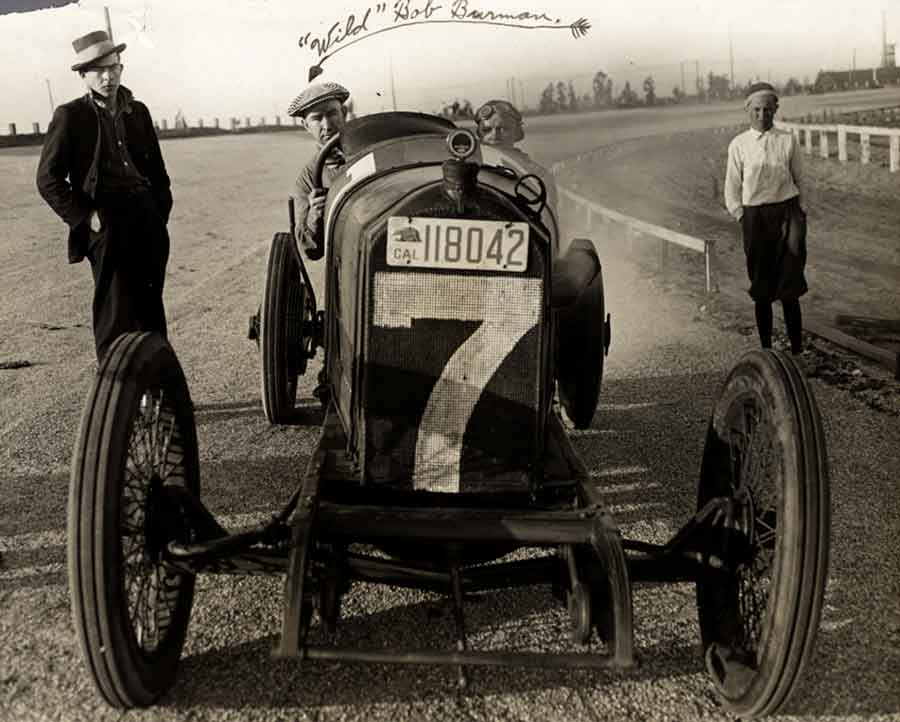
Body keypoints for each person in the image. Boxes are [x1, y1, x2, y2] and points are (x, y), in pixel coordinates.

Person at [36, 30, 173, 364]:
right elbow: (47, 179)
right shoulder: (71, 116)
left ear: (121, 68)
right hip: (106, 219)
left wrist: (157, 211)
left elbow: (157, 171)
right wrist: (87, 217)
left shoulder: (137, 111)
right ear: (83, 75)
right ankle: (114, 392)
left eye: (113, 67)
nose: (108, 76)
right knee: (114, 309)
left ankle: (158, 390)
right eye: (98, 70)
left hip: (145, 214)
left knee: (150, 305)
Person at [724, 82, 808, 358]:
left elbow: (801, 178)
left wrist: (800, 212)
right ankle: (767, 352)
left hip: (787, 213)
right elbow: (732, 188)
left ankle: (797, 353)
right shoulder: (739, 144)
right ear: (748, 109)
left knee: (790, 285)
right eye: (757, 110)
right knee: (761, 286)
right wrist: (742, 216)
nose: (762, 115)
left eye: (768, 110)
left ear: (775, 110)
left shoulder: (787, 140)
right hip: (755, 217)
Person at [288, 81, 351, 260]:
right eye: (317, 118)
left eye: (332, 113)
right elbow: (310, 250)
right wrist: (315, 214)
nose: (327, 125)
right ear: (306, 125)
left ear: (344, 113)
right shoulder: (307, 180)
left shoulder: (372, 151)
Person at [474, 99, 558, 209]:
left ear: (516, 132)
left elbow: (549, 210)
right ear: (479, 134)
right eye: (486, 129)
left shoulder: (534, 171)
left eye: (503, 128)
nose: (495, 135)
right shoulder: (471, 162)